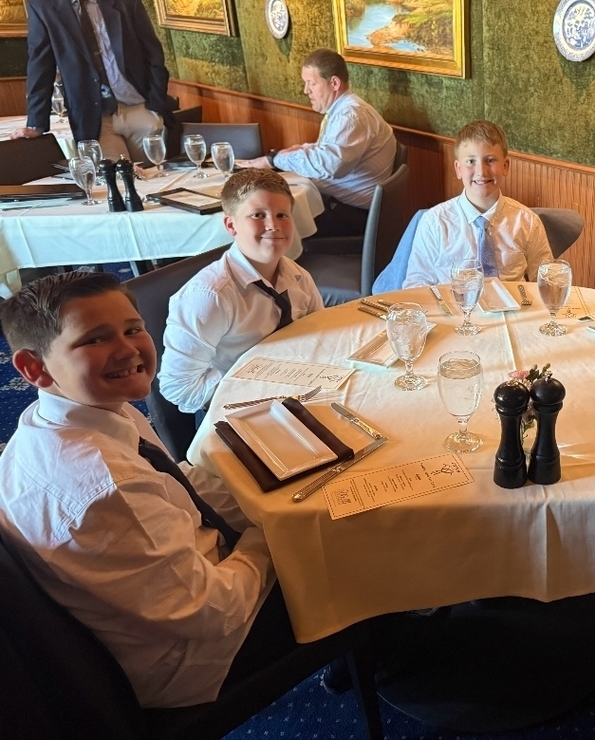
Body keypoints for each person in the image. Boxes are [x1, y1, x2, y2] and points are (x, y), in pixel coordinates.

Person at [0, 271, 372, 708]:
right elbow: (212, 613)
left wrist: (273, 501)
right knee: (365, 553)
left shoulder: (82, 412)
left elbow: (178, 480)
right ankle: (395, 658)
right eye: (94, 339)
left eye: (132, 329)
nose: (128, 349)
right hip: (197, 655)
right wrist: (273, 532)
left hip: (173, 592)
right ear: (35, 368)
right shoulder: (106, 489)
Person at [158, 169, 324, 415]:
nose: (273, 225)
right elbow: (178, 387)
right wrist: (247, 382)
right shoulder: (210, 296)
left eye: (282, 215)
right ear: (231, 225)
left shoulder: (298, 276)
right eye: (258, 215)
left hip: (294, 390)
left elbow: (321, 334)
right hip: (235, 408)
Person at [236, 48, 396, 241]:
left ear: (334, 83)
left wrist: (274, 160)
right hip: (343, 206)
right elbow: (328, 151)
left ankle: (272, 261)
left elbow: (330, 164)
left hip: (349, 214)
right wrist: (297, 151)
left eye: (311, 83)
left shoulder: (350, 115)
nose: (306, 90)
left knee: (263, 221)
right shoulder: (344, 110)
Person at [11, 0, 173, 163]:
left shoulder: (127, 1)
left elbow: (154, 54)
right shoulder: (42, 8)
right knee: (114, 179)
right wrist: (36, 123)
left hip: (141, 111)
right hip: (93, 121)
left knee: (154, 175)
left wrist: (155, 105)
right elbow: (40, 67)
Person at [402, 120, 553, 288]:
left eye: (490, 160)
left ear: (505, 166)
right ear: (458, 169)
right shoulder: (434, 222)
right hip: (454, 303)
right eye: (471, 161)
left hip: (513, 303)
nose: (481, 172)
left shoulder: (528, 222)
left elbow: (547, 283)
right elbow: (416, 285)